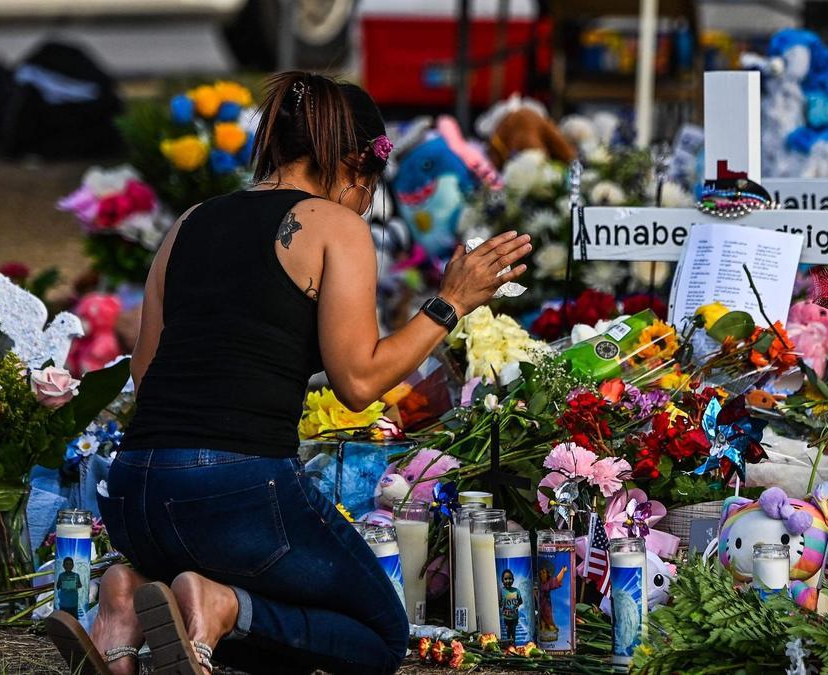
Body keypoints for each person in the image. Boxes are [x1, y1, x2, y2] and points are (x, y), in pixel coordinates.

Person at [43, 71, 531, 675]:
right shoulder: (334, 225)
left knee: (264, 606)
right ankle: (221, 606)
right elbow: (357, 383)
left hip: (136, 493)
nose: (363, 202)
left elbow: (147, 374)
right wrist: (450, 303)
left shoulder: (189, 222)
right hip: (236, 489)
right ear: (354, 166)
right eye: (369, 186)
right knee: (377, 634)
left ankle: (127, 595)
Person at [537, 562, 569, 633]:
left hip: (547, 604)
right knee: (541, 616)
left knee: (548, 616)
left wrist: (562, 571)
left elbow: (557, 580)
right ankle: (543, 628)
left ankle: (551, 627)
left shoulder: (549, 583)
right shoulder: (539, 583)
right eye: (540, 573)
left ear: (547, 574)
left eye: (543, 572)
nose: (542, 574)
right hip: (540, 604)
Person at [500, 569, 523, 646]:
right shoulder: (502, 591)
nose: (508, 581)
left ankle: (513, 644)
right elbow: (500, 601)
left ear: (513, 580)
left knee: (513, 631)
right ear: (502, 581)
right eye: (505, 579)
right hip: (506, 617)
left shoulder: (516, 591)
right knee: (507, 631)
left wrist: (517, 605)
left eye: (510, 578)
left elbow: (520, 601)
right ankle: (508, 644)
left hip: (514, 617)